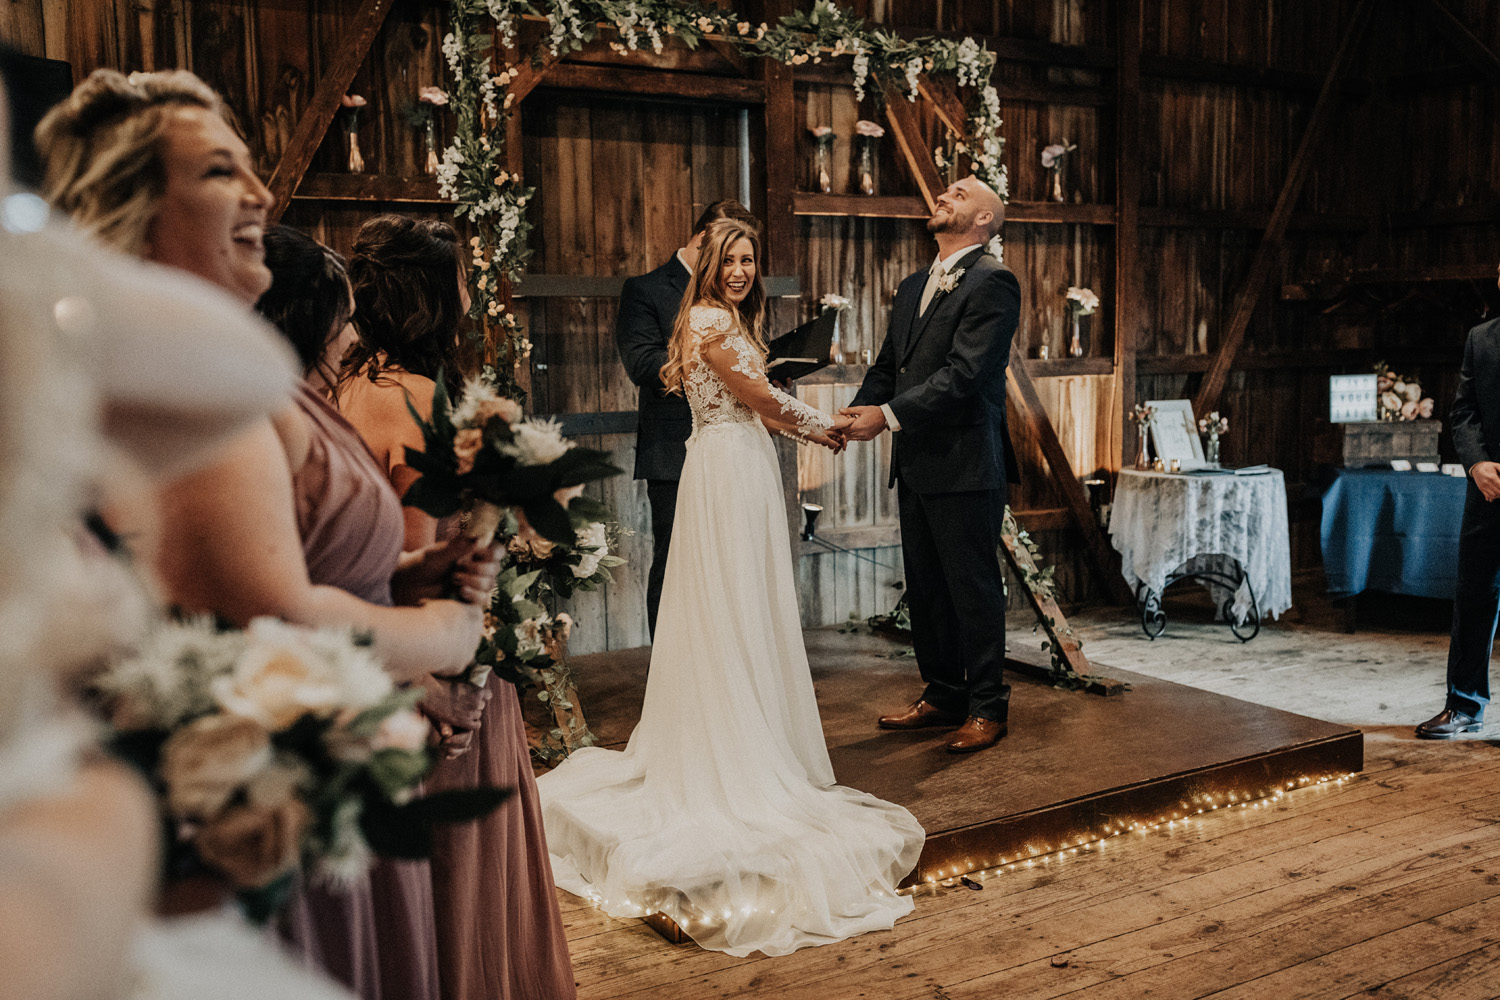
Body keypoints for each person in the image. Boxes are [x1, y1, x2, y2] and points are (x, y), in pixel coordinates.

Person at [37, 69, 496, 1000]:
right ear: (132, 207)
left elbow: (269, 561)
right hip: (245, 796)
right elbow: (268, 614)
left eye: (253, 170)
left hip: (321, 765)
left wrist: (403, 574)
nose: (259, 195)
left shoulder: (254, 379)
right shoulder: (192, 400)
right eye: (218, 173)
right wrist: (446, 634)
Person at [536, 218, 924, 958]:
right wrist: (829, 428)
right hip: (722, 468)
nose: (743, 270)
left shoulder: (729, 318)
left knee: (748, 603)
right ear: (708, 265)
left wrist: (799, 427)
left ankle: (755, 725)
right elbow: (758, 397)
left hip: (741, 465)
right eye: (732, 258)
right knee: (727, 602)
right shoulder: (709, 319)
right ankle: (731, 748)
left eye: (751, 259)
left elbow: (758, 406)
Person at [337, 214, 577, 1000]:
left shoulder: (343, 389)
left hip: (375, 664)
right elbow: (417, 546)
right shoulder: (416, 399)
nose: (473, 292)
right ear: (430, 296)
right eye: (463, 277)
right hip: (441, 664)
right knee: (458, 876)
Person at [840, 175, 1020, 754]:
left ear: (985, 220)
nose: (945, 195)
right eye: (946, 191)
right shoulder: (914, 283)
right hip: (918, 462)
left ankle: (988, 707)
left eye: (961, 194)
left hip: (967, 463)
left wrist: (887, 416)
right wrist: (859, 410)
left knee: (971, 588)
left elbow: (964, 377)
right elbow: (892, 363)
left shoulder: (994, 282)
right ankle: (943, 695)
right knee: (927, 589)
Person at [615, 199, 761, 638]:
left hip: (735, 449)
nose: (733, 267)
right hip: (674, 449)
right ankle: (670, 671)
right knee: (679, 561)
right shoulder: (646, 288)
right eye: (722, 250)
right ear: (702, 237)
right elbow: (642, 362)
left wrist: (757, 380)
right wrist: (713, 368)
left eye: (742, 255)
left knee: (734, 563)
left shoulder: (737, 288)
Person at [1417, 260, 1500, 739]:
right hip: (1488, 490)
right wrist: (1476, 463)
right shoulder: (1481, 338)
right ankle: (1464, 706)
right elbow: (1463, 412)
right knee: (1474, 595)